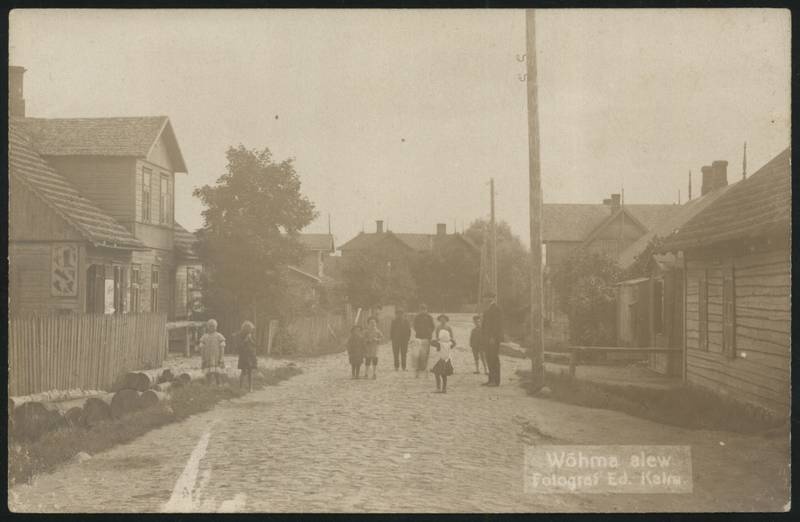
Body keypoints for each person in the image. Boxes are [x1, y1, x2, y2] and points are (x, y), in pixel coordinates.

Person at [481, 292, 503, 386]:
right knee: (489, 358)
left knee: (493, 358)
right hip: (487, 338)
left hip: (493, 339)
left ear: (492, 298)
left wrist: (493, 337)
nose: (486, 299)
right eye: (485, 297)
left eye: (488, 297)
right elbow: (485, 325)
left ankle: (495, 381)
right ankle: (491, 379)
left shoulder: (496, 309)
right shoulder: (487, 309)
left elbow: (497, 325)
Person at [199, 319, 226, 386]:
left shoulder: (219, 336)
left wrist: (221, 357)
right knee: (208, 372)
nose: (212, 328)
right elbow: (202, 348)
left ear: (216, 327)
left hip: (216, 356)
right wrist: (203, 358)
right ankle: (209, 384)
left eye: (213, 326)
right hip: (207, 357)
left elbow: (222, 347)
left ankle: (218, 384)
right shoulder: (204, 337)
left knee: (217, 372)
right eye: (210, 326)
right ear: (208, 327)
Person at [412, 304, 435, 378]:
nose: (423, 310)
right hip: (419, 337)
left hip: (427, 338)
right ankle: (418, 369)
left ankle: (425, 368)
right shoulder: (417, 317)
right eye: (422, 309)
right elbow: (414, 326)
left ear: (426, 309)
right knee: (418, 353)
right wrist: (418, 331)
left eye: (424, 309)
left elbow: (433, 326)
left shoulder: (429, 317)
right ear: (420, 310)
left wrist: (429, 332)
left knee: (426, 354)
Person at [431, 327, 454, 393]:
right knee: (444, 375)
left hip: (440, 361)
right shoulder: (449, 344)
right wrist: (450, 339)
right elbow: (454, 343)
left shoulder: (439, 344)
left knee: (437, 373)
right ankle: (444, 389)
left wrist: (437, 339)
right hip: (447, 361)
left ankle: (438, 388)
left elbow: (432, 342)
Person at [236, 321, 258, 392]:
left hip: (251, 356)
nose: (250, 331)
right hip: (244, 356)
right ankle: (240, 387)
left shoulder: (252, 335)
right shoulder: (240, 336)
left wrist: (251, 339)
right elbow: (239, 346)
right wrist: (245, 340)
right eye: (249, 330)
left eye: (251, 330)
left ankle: (250, 387)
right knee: (243, 371)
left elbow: (255, 345)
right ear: (245, 329)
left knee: (250, 372)